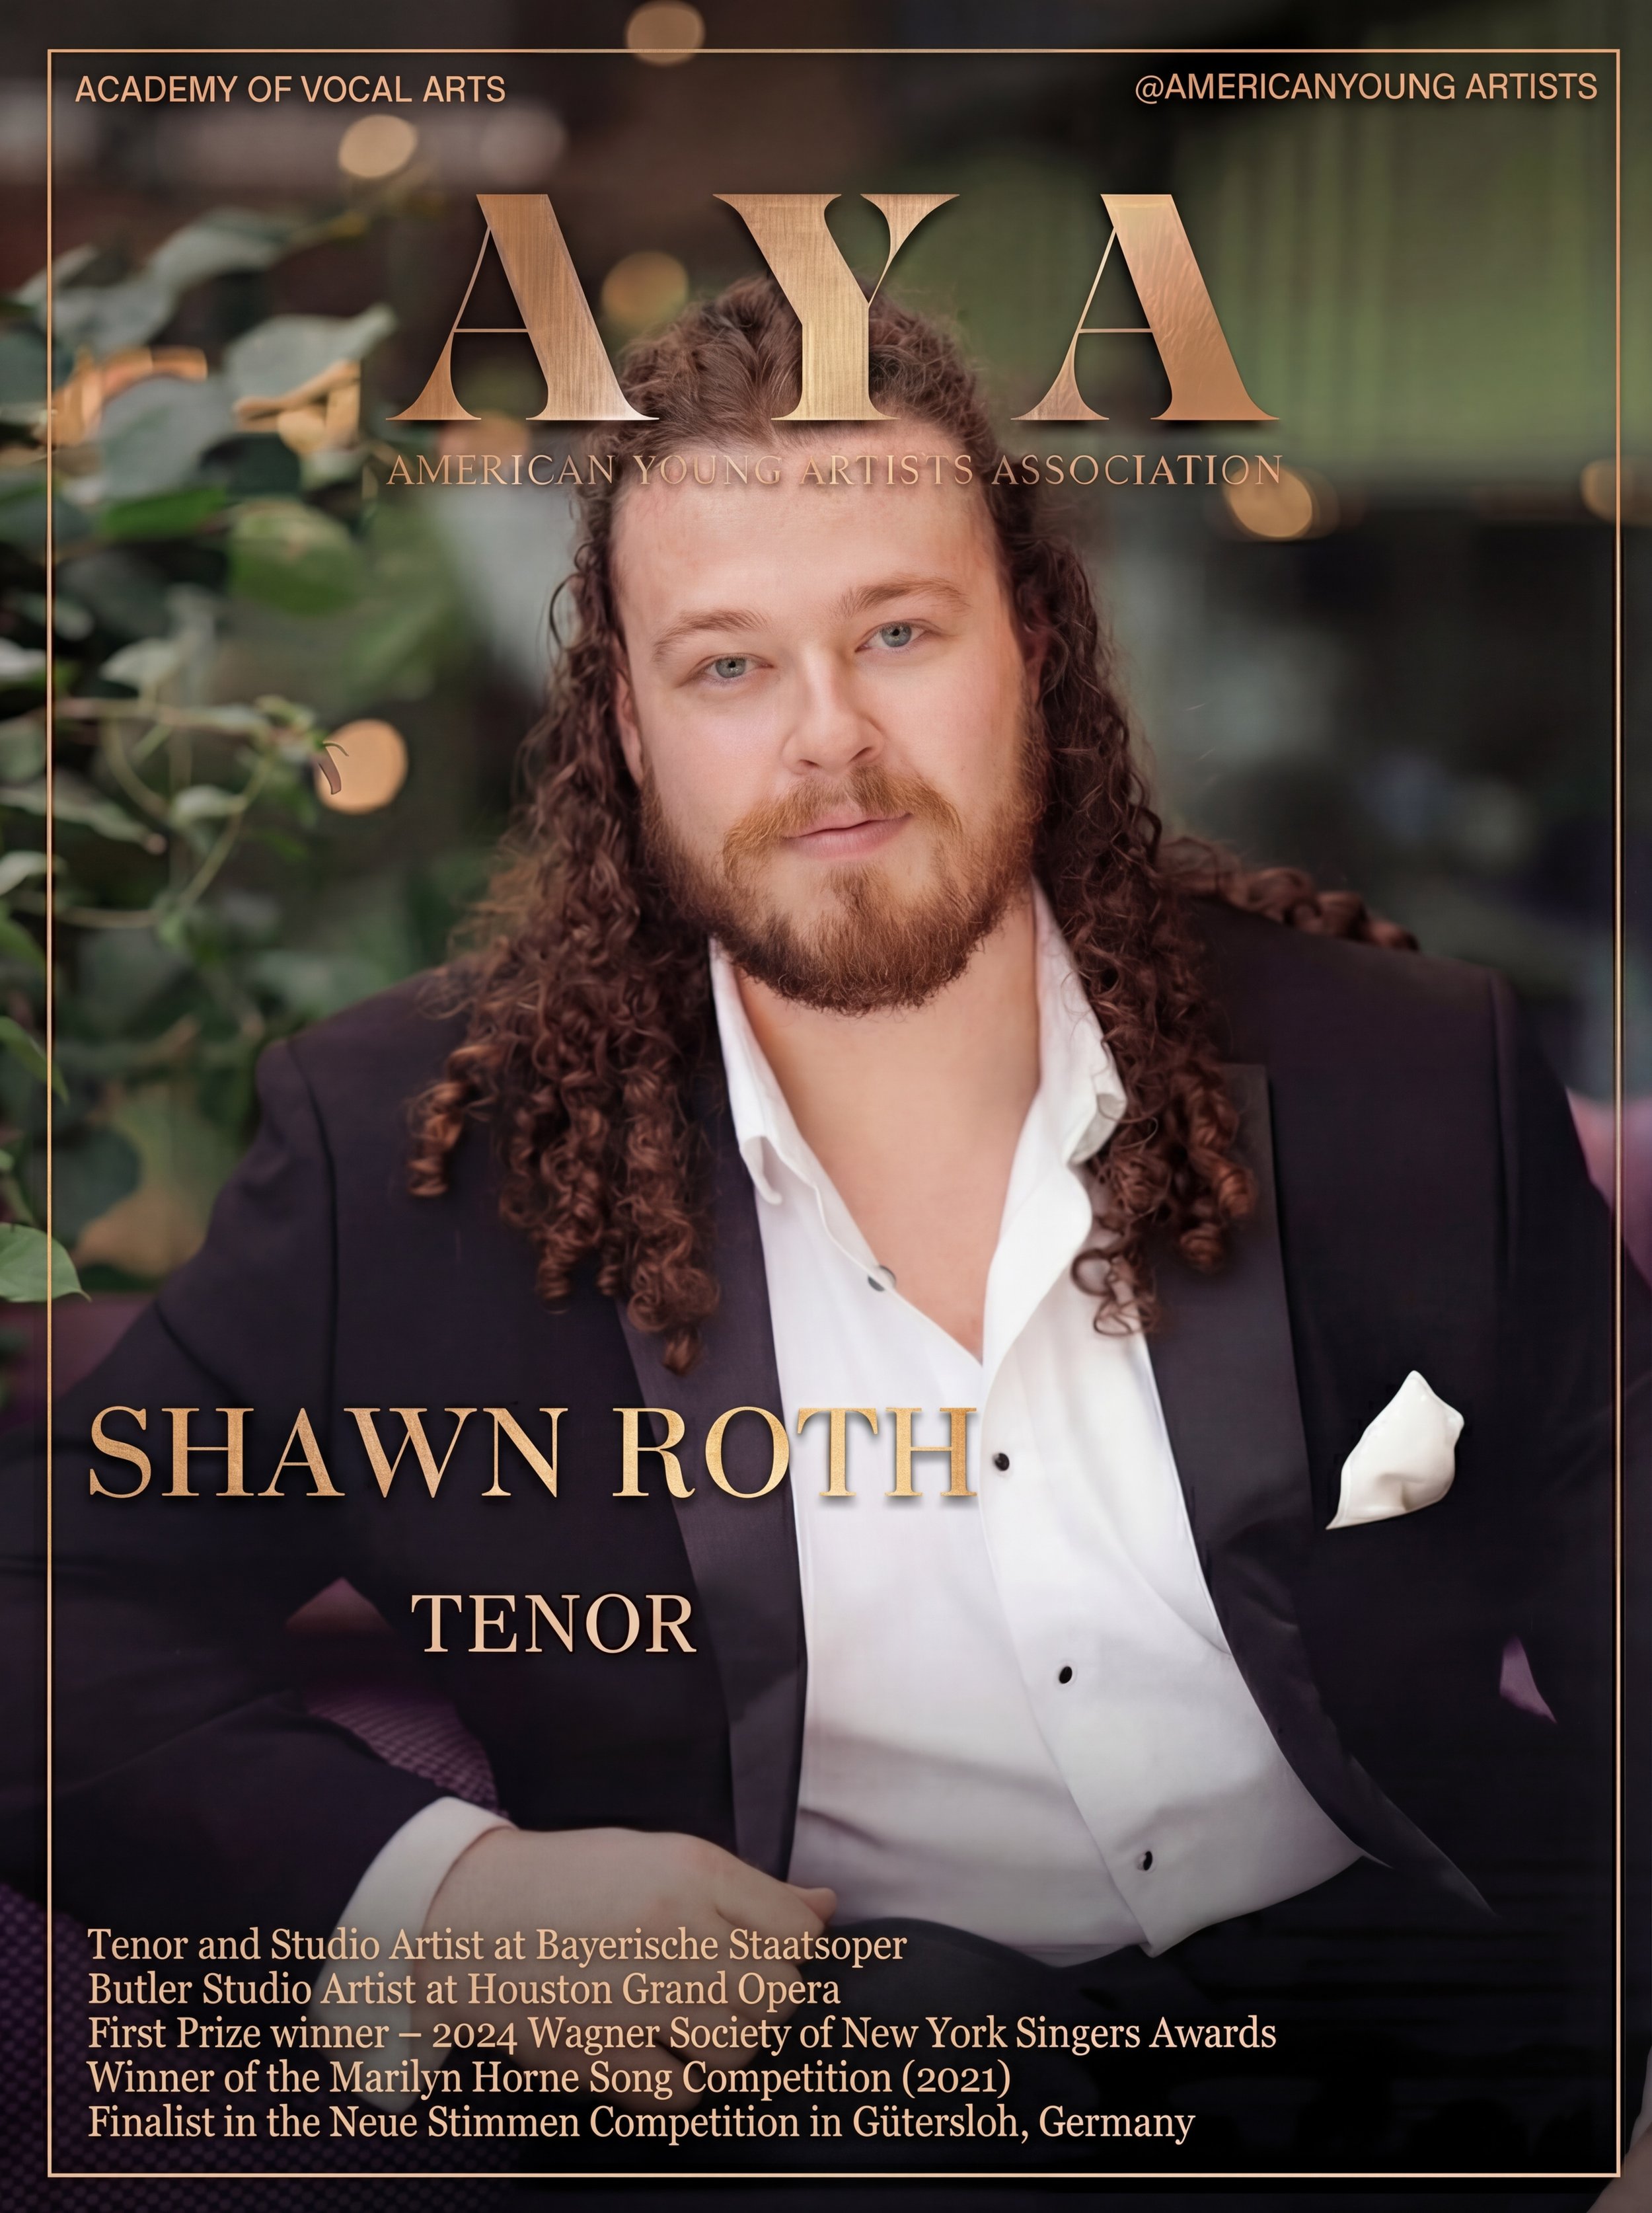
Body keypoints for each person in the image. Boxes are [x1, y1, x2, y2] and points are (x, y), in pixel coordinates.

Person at [1, 278, 1642, 2179]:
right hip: (862, 2097)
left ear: (1034, 643)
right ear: (624, 722)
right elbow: (43, 1604)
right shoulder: (400, 1167)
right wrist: (447, 1899)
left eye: (895, 630)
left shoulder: (1400, 1068)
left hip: (1442, 2024)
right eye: (725, 666)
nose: (828, 740)